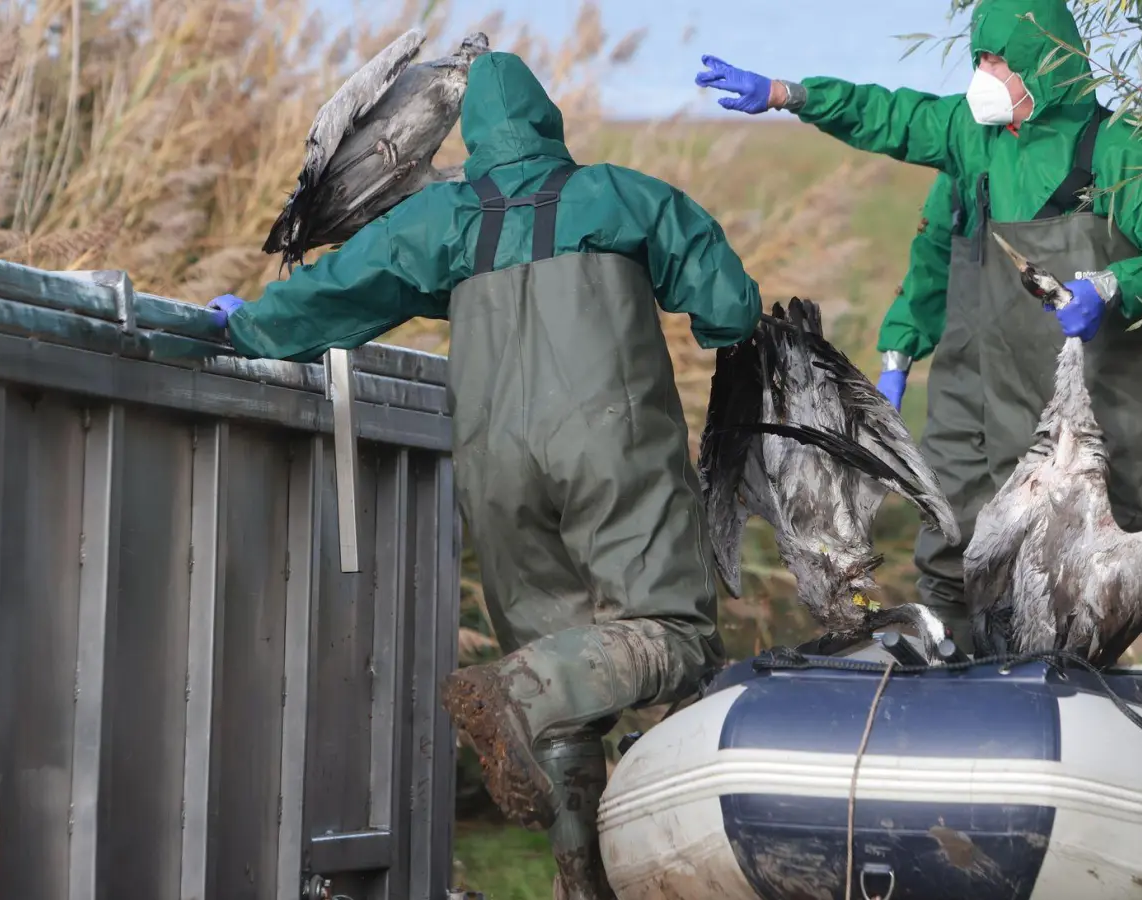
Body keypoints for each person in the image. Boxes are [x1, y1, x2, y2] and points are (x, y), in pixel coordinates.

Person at [208, 50, 763, 899]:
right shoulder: (621, 194)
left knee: (561, 686)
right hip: (612, 449)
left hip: (496, 464)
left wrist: (249, 329)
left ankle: (584, 880)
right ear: (550, 123)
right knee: (674, 637)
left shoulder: (443, 218)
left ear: (473, 137)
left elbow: (339, 292)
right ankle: (516, 691)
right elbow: (728, 306)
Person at [694, 0, 1142, 664]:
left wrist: (1114, 285)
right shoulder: (968, 143)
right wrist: (784, 94)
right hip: (975, 395)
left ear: (1046, 63)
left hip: (1103, 405)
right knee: (954, 548)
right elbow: (892, 128)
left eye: (1000, 61)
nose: (985, 75)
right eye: (979, 59)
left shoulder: (1118, 150)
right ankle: (964, 694)